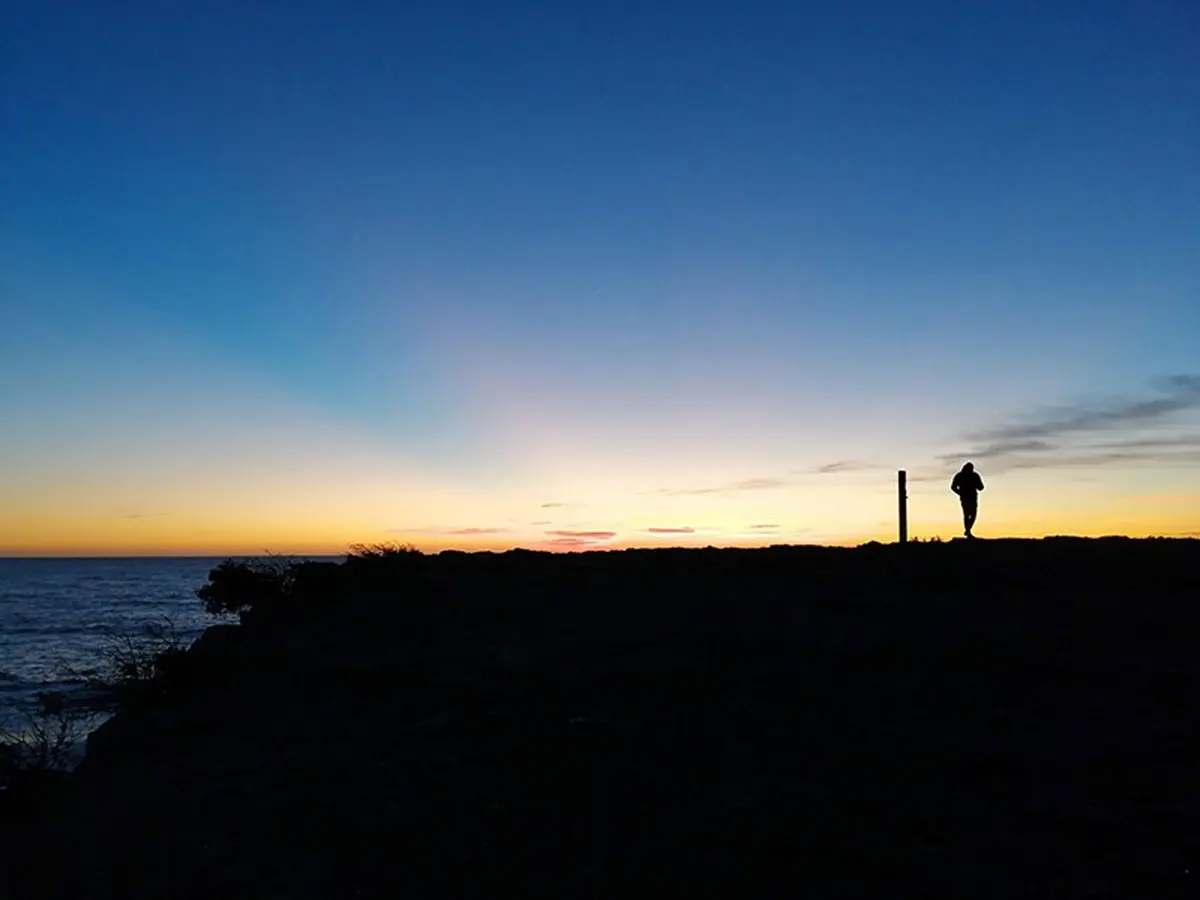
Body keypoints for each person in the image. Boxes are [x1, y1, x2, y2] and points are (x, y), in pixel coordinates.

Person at [950, 462, 984, 538]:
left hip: (971, 497)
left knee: (972, 514)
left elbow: (981, 487)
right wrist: (960, 493)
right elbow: (953, 487)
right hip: (966, 497)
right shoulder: (960, 476)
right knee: (968, 514)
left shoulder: (974, 475)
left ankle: (968, 530)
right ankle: (968, 531)